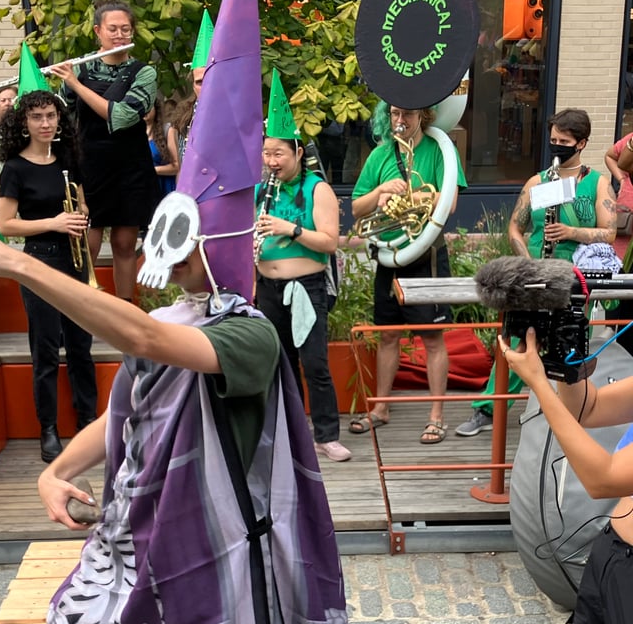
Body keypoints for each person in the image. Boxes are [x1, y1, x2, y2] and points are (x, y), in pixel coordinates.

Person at [0, 0, 348, 624]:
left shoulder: (247, 331)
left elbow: (141, 338)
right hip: (144, 535)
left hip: (219, 553)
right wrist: (60, 469)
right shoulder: (185, 309)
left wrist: (22, 262)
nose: (178, 256)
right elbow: (131, 395)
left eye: (185, 239)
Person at [458, 108, 616, 436]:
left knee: (566, 345)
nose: (557, 146)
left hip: (576, 278)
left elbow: (610, 232)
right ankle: (487, 408)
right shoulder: (538, 182)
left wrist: (572, 233)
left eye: (565, 141)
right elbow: (516, 228)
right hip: (536, 274)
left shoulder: (597, 184)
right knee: (520, 340)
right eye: (553, 140)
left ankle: (558, 412)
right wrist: (526, 259)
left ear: (581, 143)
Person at [502, 326, 633, 624]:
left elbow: (602, 479)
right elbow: (586, 409)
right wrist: (566, 363)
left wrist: (539, 383)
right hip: (611, 557)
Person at [350, 101, 466, 444]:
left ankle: (436, 416)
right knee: (387, 334)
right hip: (390, 254)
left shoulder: (440, 151)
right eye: (395, 114)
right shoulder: (380, 155)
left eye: (408, 114)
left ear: (423, 116)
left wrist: (412, 196)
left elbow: (451, 201)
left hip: (426, 254)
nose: (400, 121)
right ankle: (381, 408)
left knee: (431, 337)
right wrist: (381, 192)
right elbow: (357, 206)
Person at [254, 70, 351, 462]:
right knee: (280, 364)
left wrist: (289, 228)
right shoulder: (262, 190)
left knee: (314, 363)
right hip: (269, 289)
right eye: (266, 153)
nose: (271, 161)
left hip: (306, 287)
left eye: (278, 153)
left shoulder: (318, 189)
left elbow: (328, 242)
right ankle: (292, 432)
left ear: (297, 153)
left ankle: (327, 434)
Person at [0, 89, 97, 463]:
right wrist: (54, 222)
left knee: (81, 347)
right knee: (46, 351)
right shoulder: (15, 168)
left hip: (74, 261)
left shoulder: (67, 160)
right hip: (39, 262)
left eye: (51, 116)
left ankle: (89, 420)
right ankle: (49, 428)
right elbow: (6, 225)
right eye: (37, 117)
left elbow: (82, 204)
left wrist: (80, 214)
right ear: (24, 122)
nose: (45, 123)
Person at [52, 0, 160, 301]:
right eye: (112, 29)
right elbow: (64, 111)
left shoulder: (143, 72)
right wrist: (66, 82)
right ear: (98, 31)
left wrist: (75, 83)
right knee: (87, 242)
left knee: (125, 244)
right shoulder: (83, 68)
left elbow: (123, 116)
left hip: (130, 167)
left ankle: (125, 311)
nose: (119, 35)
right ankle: (82, 311)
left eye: (125, 29)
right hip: (90, 164)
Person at [173, 9, 212, 165]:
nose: (206, 87)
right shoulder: (186, 118)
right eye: (200, 82)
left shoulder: (237, 117)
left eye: (211, 80)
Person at [145, 97, 178, 199]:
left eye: (149, 107)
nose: (145, 111)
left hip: (165, 190)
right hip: (145, 191)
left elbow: (176, 167)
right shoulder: (132, 134)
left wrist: (152, 170)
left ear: (156, 108)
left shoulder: (167, 130)